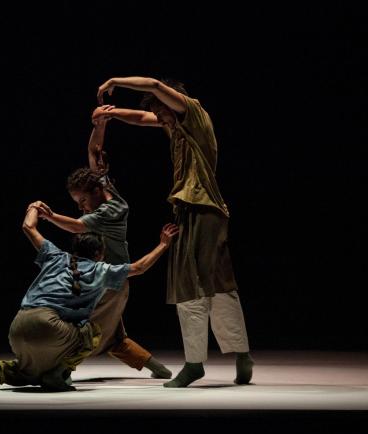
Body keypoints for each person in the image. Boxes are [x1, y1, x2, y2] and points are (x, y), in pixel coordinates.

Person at [93, 76, 254, 388]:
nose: (160, 118)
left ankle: (196, 363)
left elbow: (154, 85)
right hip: (201, 211)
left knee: (190, 282)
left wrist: (114, 81)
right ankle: (241, 356)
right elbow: (142, 118)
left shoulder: (192, 112)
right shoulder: (179, 126)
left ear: (173, 101)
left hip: (200, 208)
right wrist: (111, 114)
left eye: (162, 111)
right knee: (217, 283)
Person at [27, 108, 172, 380]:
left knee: (83, 326)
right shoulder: (104, 188)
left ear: (94, 193)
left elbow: (77, 226)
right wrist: (100, 124)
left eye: (82, 201)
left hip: (107, 280)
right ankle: (158, 369)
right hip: (111, 280)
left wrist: (49, 215)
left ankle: (61, 369)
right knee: (114, 335)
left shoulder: (110, 210)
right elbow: (94, 152)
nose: (81, 207)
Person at [0, 200, 178, 392]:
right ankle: (57, 373)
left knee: (32, 373)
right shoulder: (101, 270)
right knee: (92, 333)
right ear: (99, 254)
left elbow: (28, 227)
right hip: (50, 325)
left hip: (18, 326)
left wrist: (34, 206)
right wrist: (163, 244)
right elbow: (139, 268)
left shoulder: (54, 255)